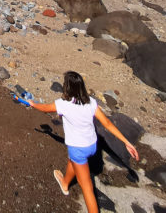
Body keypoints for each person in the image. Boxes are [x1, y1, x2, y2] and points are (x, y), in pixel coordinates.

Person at [21, 71, 139, 212]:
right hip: (91, 146)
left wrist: (32, 104)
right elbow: (107, 123)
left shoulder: (63, 104)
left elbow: (45, 108)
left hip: (78, 148)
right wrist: (127, 142)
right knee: (73, 161)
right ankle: (65, 183)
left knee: (87, 188)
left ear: (67, 88)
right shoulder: (91, 102)